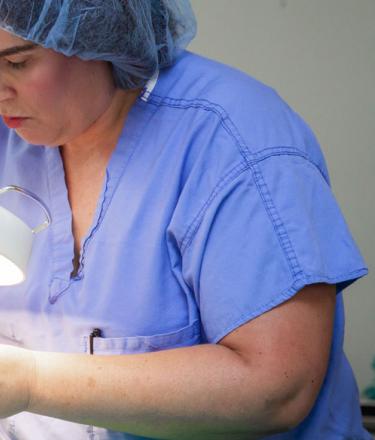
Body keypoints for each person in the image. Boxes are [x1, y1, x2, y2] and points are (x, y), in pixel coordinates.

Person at [0, 1, 371, 439]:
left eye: (17, 63)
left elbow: (278, 388)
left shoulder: (234, 141)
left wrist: (30, 381)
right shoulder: (13, 133)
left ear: (92, 35)